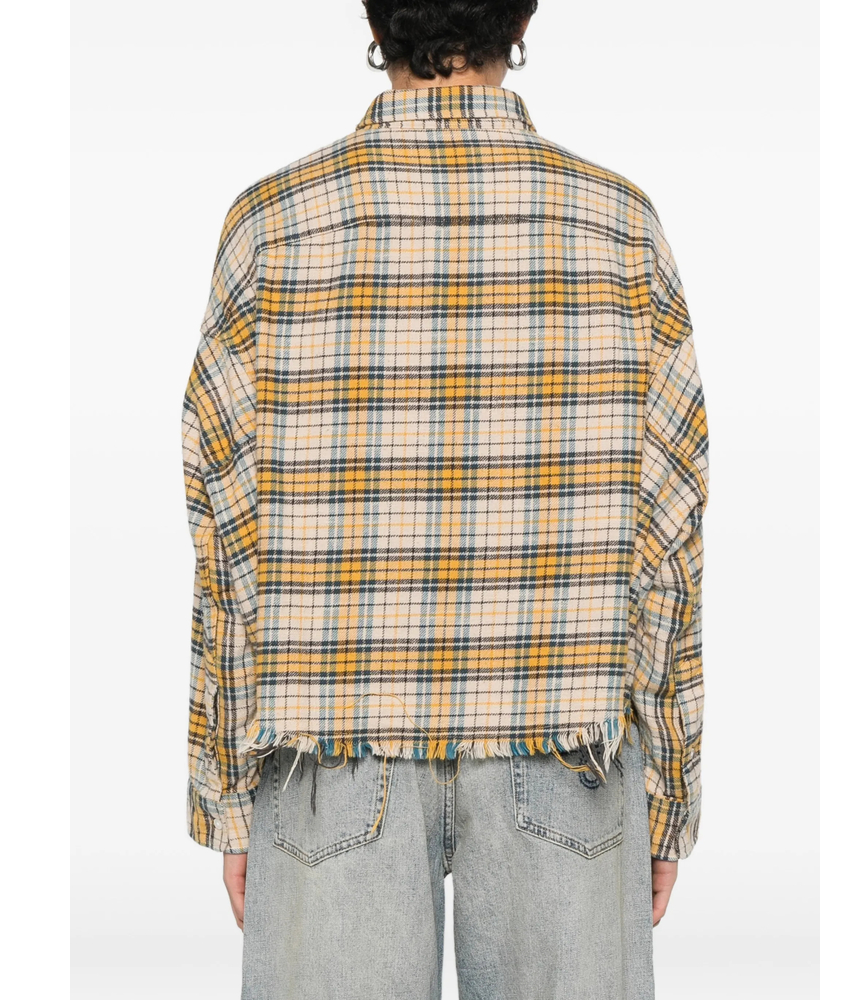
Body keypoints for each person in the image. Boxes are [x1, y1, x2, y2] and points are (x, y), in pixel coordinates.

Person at [180, 2, 709, 996]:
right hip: (570, 756)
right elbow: (670, 540)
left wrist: (230, 797)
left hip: (331, 760)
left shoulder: (273, 227)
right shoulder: (620, 229)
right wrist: (668, 794)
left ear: (374, 11)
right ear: (524, 11)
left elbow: (225, 538)